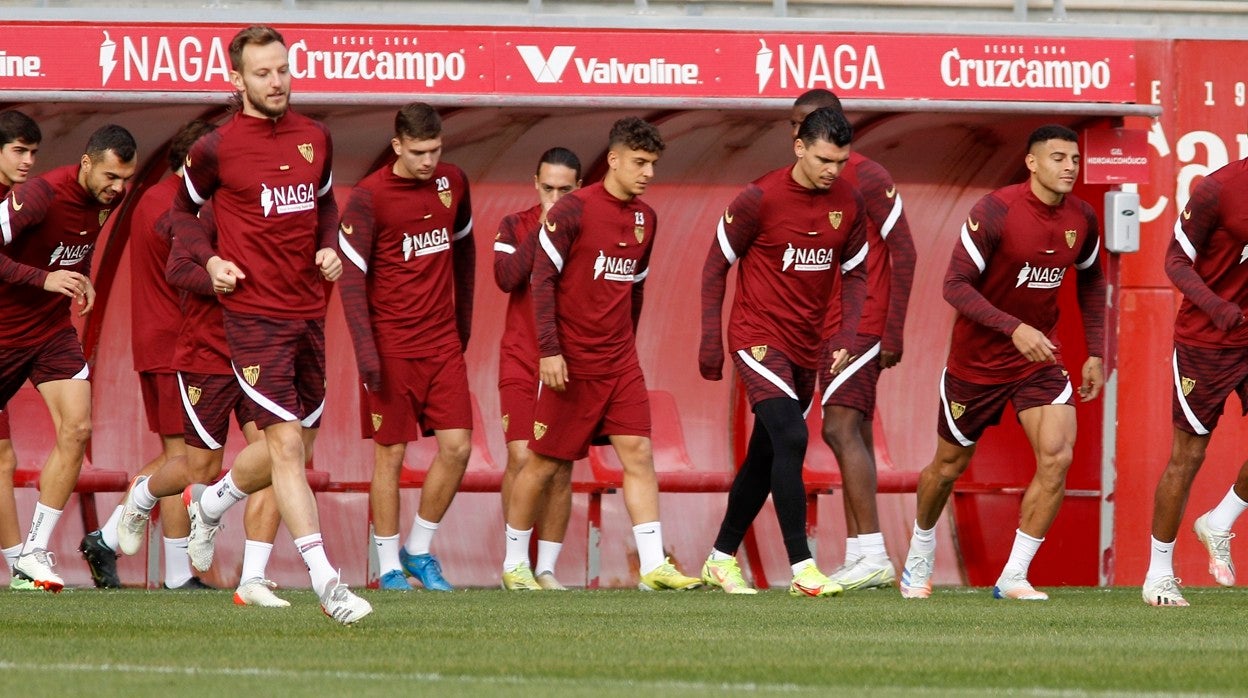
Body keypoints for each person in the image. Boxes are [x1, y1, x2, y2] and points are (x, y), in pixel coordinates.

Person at [168, 24, 369, 623]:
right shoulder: (215, 148)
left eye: (282, 69)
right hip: (252, 316)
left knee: (296, 449)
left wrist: (330, 245)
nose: (276, 81)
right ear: (237, 80)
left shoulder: (316, 136)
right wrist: (210, 260)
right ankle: (327, 581)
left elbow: (326, 204)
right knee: (282, 443)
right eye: (263, 72)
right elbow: (180, 213)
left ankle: (212, 504)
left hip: (308, 311)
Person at [899, 124, 1105, 601]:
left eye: (1074, 158)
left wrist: (1095, 350)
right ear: (1032, 163)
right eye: (1058, 158)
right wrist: (1013, 327)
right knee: (948, 466)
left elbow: (1092, 279)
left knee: (1057, 457)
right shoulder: (994, 210)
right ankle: (920, 549)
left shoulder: (1084, 217)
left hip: (1038, 361)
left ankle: (1013, 575)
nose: (1069, 167)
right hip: (977, 363)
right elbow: (954, 285)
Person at [501, 117, 700, 592]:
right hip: (571, 362)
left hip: (619, 361)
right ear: (612, 160)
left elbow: (635, 287)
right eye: (639, 162)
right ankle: (514, 564)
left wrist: (626, 344)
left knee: (639, 451)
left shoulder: (646, 219)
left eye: (652, 164)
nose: (647, 172)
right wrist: (550, 351)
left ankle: (653, 567)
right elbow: (540, 280)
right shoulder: (572, 210)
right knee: (543, 462)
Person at [112, 124, 288, 607]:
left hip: (256, 351)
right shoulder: (195, 214)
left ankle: (251, 575)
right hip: (207, 354)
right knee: (199, 465)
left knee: (279, 453)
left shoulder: (266, 208)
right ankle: (144, 495)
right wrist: (218, 279)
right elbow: (177, 269)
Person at [699, 106, 869, 597]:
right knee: (793, 437)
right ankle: (803, 568)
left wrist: (845, 335)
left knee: (765, 453)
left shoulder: (850, 202)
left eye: (840, 161)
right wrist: (711, 339)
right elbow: (715, 266)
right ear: (799, 147)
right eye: (822, 159)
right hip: (756, 334)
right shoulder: (759, 198)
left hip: (807, 346)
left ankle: (719, 559)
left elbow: (856, 272)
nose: (831, 170)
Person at [339, 102, 475, 592]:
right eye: (418, 151)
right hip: (391, 346)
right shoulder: (369, 196)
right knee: (390, 457)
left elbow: (465, 250)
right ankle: (387, 566)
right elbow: (351, 280)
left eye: (435, 150)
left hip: (441, 344)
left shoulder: (453, 183)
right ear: (397, 145)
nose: (428, 161)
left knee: (458, 448)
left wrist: (464, 326)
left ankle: (417, 549)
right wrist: (366, 354)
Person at [0, 123, 138, 592]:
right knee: (1, 457)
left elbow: (76, 247)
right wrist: (43, 279)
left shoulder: (108, 200)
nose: (117, 188)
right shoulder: (39, 195)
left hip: (50, 333)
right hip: (2, 334)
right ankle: (17, 558)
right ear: (86, 163)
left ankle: (34, 553)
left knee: (77, 428)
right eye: (111, 177)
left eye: (125, 179)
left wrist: (83, 276)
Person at [790, 90, 916, 590]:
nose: (797, 134)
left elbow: (904, 250)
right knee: (855, 432)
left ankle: (873, 553)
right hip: (827, 325)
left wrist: (894, 329)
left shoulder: (866, 175)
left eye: (806, 123)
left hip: (863, 321)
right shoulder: (807, 185)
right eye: (794, 125)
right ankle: (864, 552)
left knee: (840, 428)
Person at [80, 120, 211, 591]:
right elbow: (193, 276)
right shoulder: (178, 204)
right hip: (176, 348)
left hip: (162, 345)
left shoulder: (152, 199)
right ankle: (157, 564)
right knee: (186, 458)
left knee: (180, 456)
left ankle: (112, 537)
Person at [1141, 152, 1248, 607]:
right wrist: (1217, 306)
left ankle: (1220, 521)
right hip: (1206, 340)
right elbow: (1175, 261)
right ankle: (1159, 574)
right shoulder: (1218, 188)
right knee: (1188, 456)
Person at [494, 147, 581, 590]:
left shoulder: (589, 228)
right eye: (547, 188)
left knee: (560, 466)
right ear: (535, 183)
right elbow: (506, 276)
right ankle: (515, 563)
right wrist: (546, 230)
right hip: (520, 356)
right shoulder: (514, 225)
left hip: (566, 362)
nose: (555, 196)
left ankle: (546, 568)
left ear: (579, 188)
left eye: (565, 190)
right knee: (521, 456)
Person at [0, 110, 40, 590]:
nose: (28, 161)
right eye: (19, 151)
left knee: (4, 457)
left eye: (33, 153)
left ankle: (18, 567)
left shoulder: (17, 203)